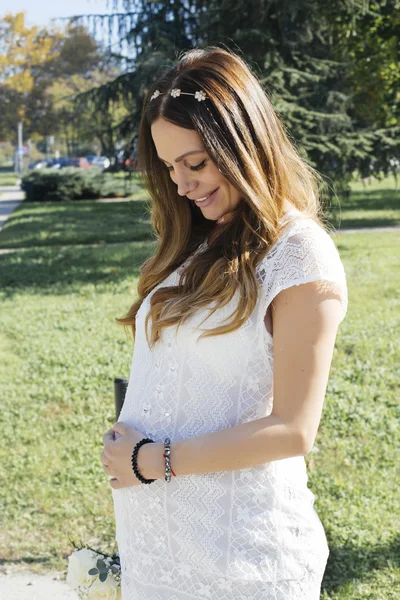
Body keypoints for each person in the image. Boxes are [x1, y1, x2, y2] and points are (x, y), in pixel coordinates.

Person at [100, 45, 348, 599]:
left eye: (196, 163)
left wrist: (150, 462)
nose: (182, 185)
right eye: (169, 168)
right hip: (162, 554)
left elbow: (294, 428)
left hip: (240, 561)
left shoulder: (298, 255)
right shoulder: (198, 242)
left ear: (243, 143)